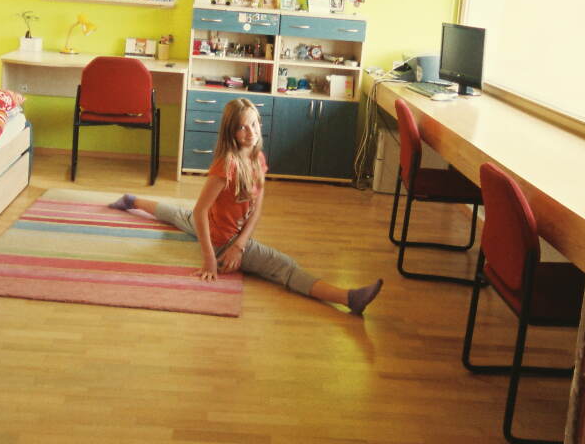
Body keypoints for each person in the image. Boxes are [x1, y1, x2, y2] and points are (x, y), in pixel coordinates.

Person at [109, 97, 383, 315]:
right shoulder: (225, 165)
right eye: (242, 127)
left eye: (254, 124)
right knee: (285, 266)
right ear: (231, 132)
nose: (250, 132)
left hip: (230, 235)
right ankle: (349, 298)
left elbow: (257, 208)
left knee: (179, 215)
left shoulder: (257, 158)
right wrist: (210, 258)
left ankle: (132, 201)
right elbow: (201, 211)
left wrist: (241, 245)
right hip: (221, 240)